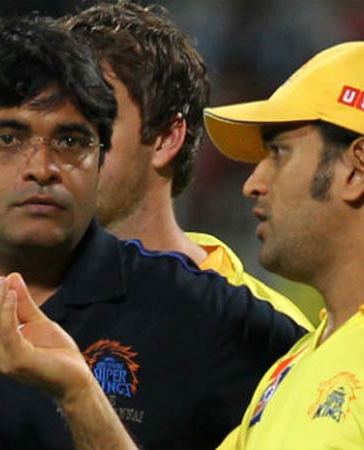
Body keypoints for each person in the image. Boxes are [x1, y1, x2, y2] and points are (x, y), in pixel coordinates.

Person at [0, 39, 364, 450]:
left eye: (278, 153)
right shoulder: (294, 367)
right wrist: (79, 392)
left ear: (357, 168)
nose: (253, 182)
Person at [0, 15, 307, 450]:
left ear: (98, 160)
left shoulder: (205, 316)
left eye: (71, 142)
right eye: (8, 139)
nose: (42, 167)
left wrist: (80, 397)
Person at [61, 2, 314, 330]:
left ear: (166, 139)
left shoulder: (260, 331)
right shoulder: (15, 304)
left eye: (96, 119)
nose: (62, 148)